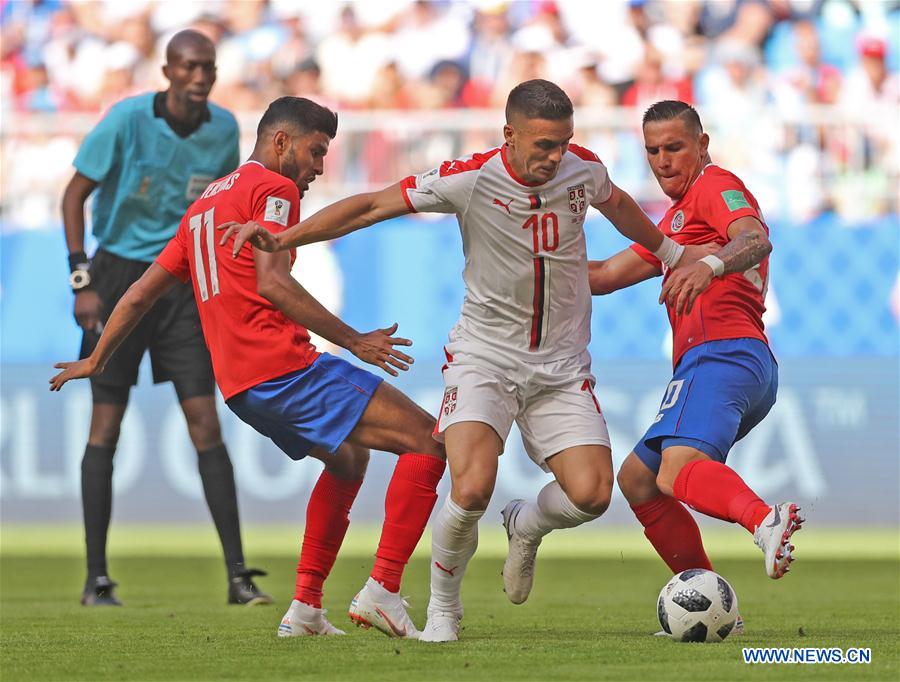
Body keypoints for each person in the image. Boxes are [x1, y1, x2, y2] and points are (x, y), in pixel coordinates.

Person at [218, 79, 706, 642]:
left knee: (593, 495)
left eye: (564, 143)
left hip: (563, 367)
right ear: (509, 135)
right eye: (543, 144)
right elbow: (373, 204)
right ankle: (442, 612)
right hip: (485, 359)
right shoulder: (470, 178)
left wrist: (671, 254)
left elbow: (619, 205)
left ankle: (526, 525)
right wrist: (284, 240)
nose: (555, 157)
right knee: (470, 487)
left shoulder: (584, 169)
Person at [52, 96, 446, 640]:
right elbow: (272, 282)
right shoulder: (274, 189)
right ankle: (383, 590)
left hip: (241, 387)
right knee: (429, 441)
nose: (319, 167)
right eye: (315, 150)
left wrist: (97, 357)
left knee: (349, 460)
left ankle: (306, 609)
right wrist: (354, 340)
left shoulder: (203, 207)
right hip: (285, 369)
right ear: (280, 142)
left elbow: (140, 293)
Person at [59, 29, 270, 607]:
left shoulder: (225, 129)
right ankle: (96, 578)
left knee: (205, 422)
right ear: (168, 70)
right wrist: (82, 279)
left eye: (209, 67)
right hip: (117, 276)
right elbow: (74, 194)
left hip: (180, 282)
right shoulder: (126, 120)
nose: (201, 77)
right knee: (106, 424)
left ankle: (237, 576)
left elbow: (218, 209)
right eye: (191, 67)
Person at [588, 101, 803, 629]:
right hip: (719, 364)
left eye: (674, 147)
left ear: (702, 145)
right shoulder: (676, 220)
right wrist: (529, 255)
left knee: (676, 472)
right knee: (639, 479)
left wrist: (709, 265)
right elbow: (604, 275)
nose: (663, 161)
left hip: (725, 354)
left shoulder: (715, 184)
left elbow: (754, 239)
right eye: (653, 151)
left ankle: (762, 520)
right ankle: (710, 598)